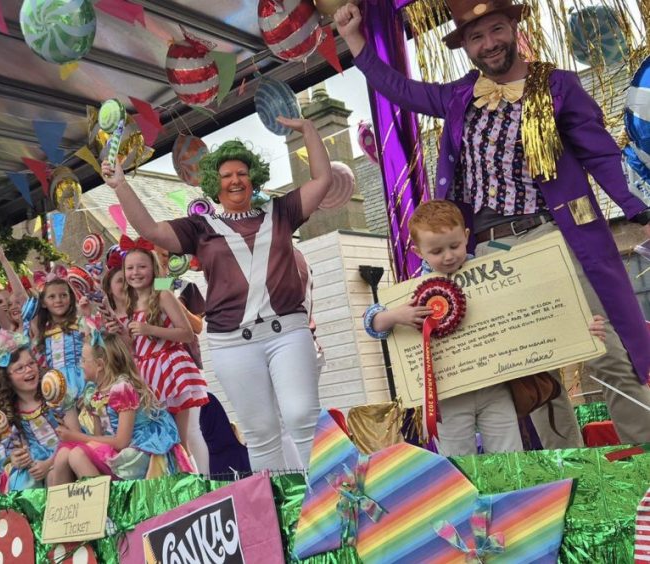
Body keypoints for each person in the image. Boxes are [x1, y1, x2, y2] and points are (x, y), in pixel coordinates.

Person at [335, 0, 650, 446]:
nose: (489, 43)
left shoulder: (558, 86)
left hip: (554, 236)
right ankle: (570, 469)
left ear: (513, 28)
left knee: (607, 350)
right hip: (487, 250)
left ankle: (646, 462)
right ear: (465, 45)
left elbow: (601, 154)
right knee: (530, 367)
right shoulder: (459, 96)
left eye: (496, 30)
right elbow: (399, 89)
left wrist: (641, 212)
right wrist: (354, 41)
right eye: (476, 37)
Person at [104, 120, 333, 471]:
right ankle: (279, 505)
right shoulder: (199, 231)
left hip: (284, 332)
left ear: (253, 177)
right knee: (260, 430)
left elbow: (322, 181)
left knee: (301, 414)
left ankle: (326, 497)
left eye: (242, 172)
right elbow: (149, 229)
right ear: (215, 183)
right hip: (230, 343)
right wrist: (119, 184)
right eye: (226, 175)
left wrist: (308, 129)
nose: (235, 180)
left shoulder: (280, 213)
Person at [363, 201, 603, 455]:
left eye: (454, 246)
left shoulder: (497, 272)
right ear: (418, 251)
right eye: (436, 251)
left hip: (496, 388)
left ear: (466, 236)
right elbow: (372, 322)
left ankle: (509, 496)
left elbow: (536, 312)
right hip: (448, 396)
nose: (448, 256)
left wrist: (582, 327)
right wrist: (395, 315)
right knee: (459, 463)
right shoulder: (412, 291)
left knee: (510, 457)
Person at [50, 331, 193, 483]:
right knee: (64, 454)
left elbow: (121, 442)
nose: (80, 364)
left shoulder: (122, 389)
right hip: (113, 448)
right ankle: (66, 505)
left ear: (99, 365)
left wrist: (76, 437)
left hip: (136, 450)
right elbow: (98, 439)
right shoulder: (94, 392)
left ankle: (107, 503)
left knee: (77, 455)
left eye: (84, 360)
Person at [121, 243, 210, 472]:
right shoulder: (129, 302)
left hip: (170, 368)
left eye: (142, 266)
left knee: (183, 437)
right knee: (161, 437)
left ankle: (198, 481)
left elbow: (188, 332)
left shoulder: (164, 293)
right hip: (146, 373)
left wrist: (150, 329)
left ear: (153, 268)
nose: (135, 272)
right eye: (130, 268)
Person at [2, 347, 79, 490]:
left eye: (31, 363)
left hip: (66, 451)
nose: (29, 370)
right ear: (7, 378)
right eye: (20, 368)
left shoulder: (56, 394)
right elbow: (14, 449)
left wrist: (49, 464)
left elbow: (75, 435)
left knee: (52, 474)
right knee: (18, 481)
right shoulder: (11, 411)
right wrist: (17, 459)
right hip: (36, 463)